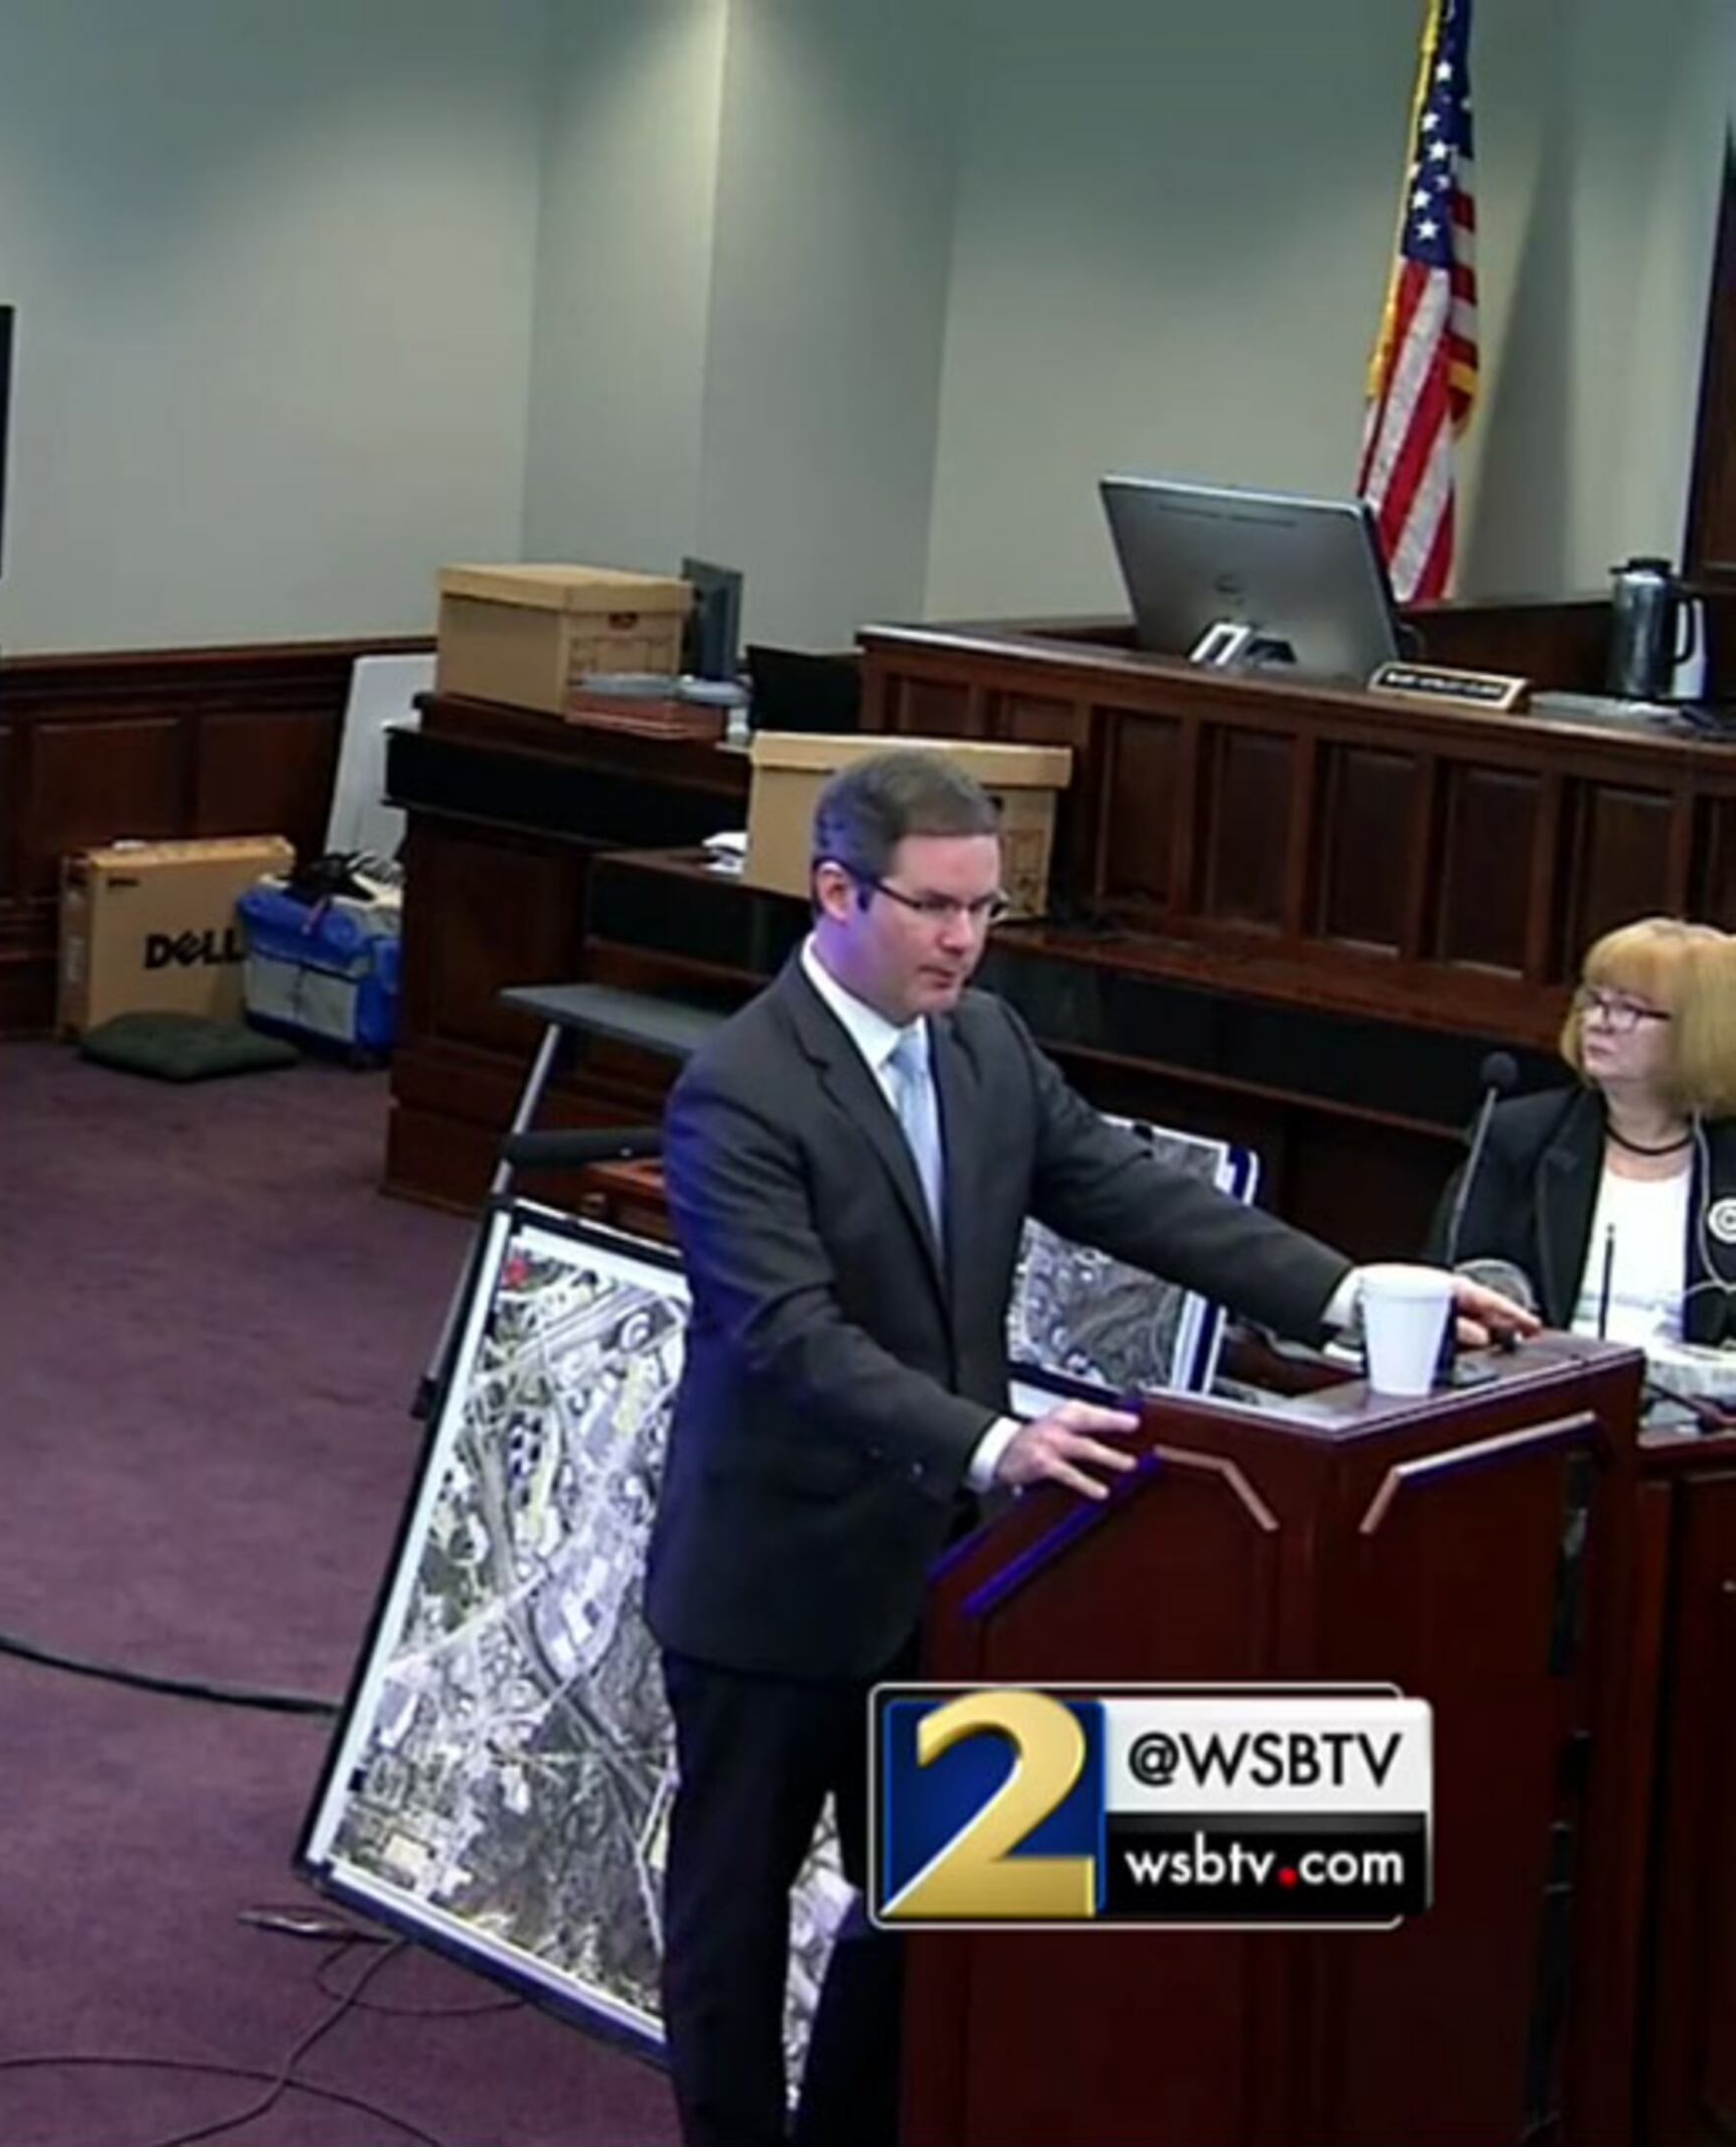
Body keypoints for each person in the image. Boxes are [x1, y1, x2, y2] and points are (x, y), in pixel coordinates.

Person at [640, 747, 1534, 2147]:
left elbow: (1130, 1192)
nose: (964, 940)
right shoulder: (741, 1087)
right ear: (836, 893)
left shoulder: (987, 1045)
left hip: (946, 1576)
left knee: (931, 1898)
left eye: (985, 909)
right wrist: (994, 1442)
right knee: (732, 1927)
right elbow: (789, 1336)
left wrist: (1347, 1293)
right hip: (778, 1577)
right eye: (936, 908)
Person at [1444, 916, 1736, 1345]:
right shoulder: (1518, 1136)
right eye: (1595, 1001)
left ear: (1701, 1031)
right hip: (1543, 1375)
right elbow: (1447, 1286)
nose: (1600, 1022)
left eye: (1629, 1009)